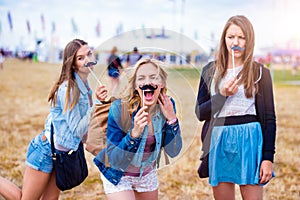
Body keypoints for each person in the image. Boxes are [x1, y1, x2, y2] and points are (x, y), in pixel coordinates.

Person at [0, 39, 108, 200]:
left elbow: (84, 130)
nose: (87, 60)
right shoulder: (68, 89)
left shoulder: (85, 86)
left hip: (61, 154)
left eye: (89, 54)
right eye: (80, 58)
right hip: (45, 150)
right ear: (72, 64)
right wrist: (98, 104)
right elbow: (77, 128)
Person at [195, 15, 276, 199]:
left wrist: (268, 158)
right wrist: (222, 95)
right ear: (224, 39)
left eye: (242, 37)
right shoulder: (210, 71)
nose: (236, 42)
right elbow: (200, 113)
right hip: (219, 139)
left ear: (249, 40)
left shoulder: (260, 72)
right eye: (231, 37)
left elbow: (270, 118)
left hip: (251, 139)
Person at [94, 58, 182, 200]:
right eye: (141, 78)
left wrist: (172, 119)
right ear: (135, 86)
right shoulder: (119, 108)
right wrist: (133, 135)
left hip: (146, 174)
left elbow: (173, 151)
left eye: (153, 77)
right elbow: (114, 159)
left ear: (162, 83)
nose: (147, 82)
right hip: (118, 174)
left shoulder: (167, 105)